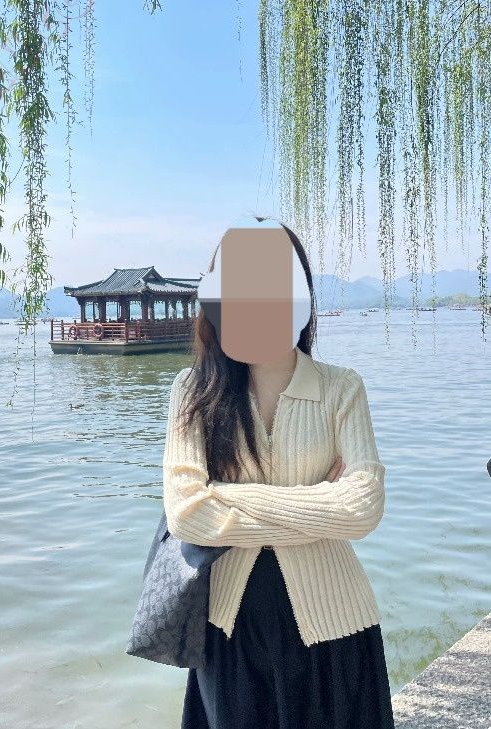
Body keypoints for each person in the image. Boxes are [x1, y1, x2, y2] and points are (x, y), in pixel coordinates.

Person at [163, 215, 395, 729]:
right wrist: (320, 498)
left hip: (336, 623)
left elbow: (362, 508)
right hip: (229, 632)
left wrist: (226, 495)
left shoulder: (341, 388)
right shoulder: (193, 392)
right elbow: (185, 513)